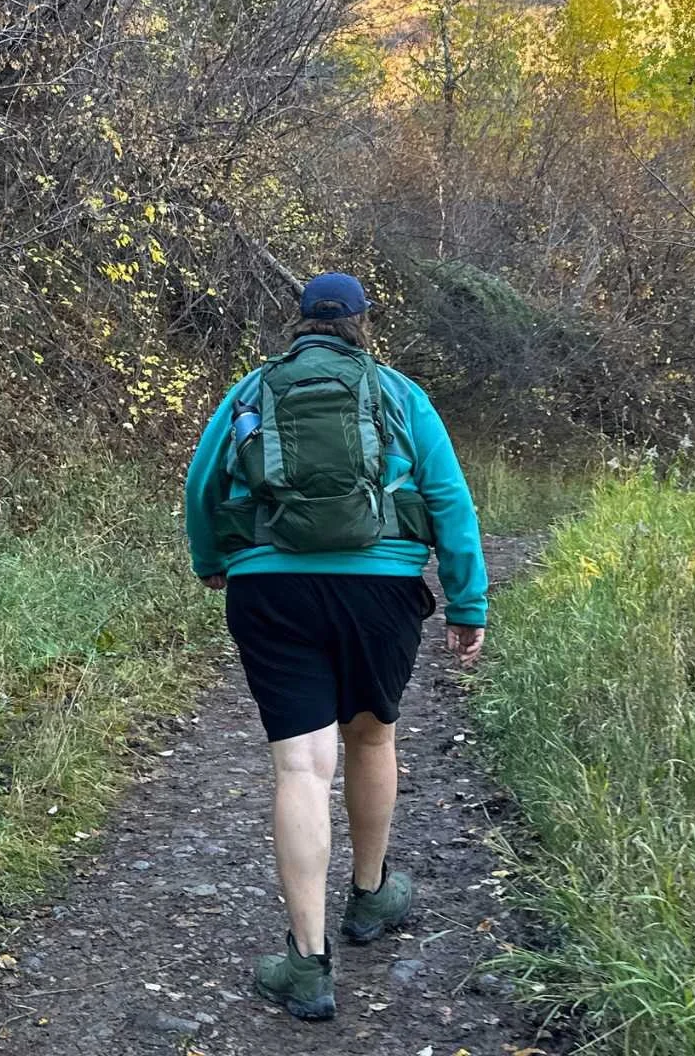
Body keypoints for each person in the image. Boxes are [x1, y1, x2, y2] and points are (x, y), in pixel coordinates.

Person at [182, 271, 489, 1021]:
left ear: (299, 324)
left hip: (271, 586)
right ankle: (372, 895)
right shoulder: (399, 392)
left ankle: (307, 963)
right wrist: (467, 598)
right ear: (362, 322)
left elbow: (200, 484)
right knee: (372, 736)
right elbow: (449, 498)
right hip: (379, 589)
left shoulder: (252, 389)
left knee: (299, 763)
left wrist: (214, 561)